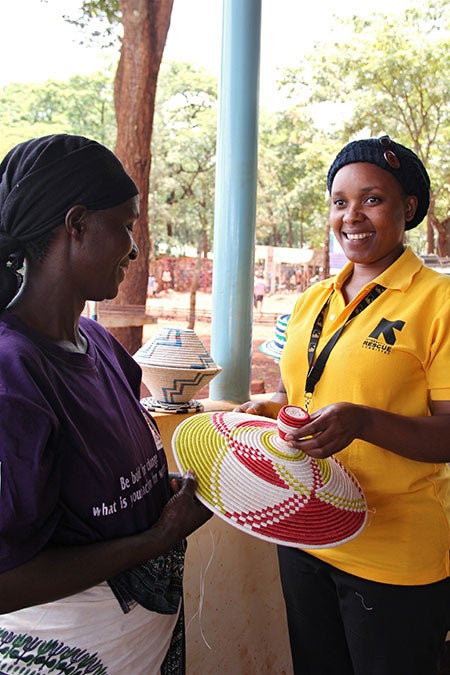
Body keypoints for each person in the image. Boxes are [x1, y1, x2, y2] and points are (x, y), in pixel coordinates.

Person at [236, 135, 450, 675]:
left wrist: (362, 421)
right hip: (304, 530)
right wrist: (268, 407)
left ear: (409, 208)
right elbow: (301, 395)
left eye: (372, 199)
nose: (351, 215)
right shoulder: (314, 298)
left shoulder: (438, 301)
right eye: (339, 201)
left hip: (393, 551)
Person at [0, 134, 212, 674]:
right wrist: (159, 536)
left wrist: (161, 497)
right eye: (125, 226)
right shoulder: (13, 374)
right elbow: (8, 579)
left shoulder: (98, 344)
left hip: (143, 645)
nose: (135, 250)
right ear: (76, 225)